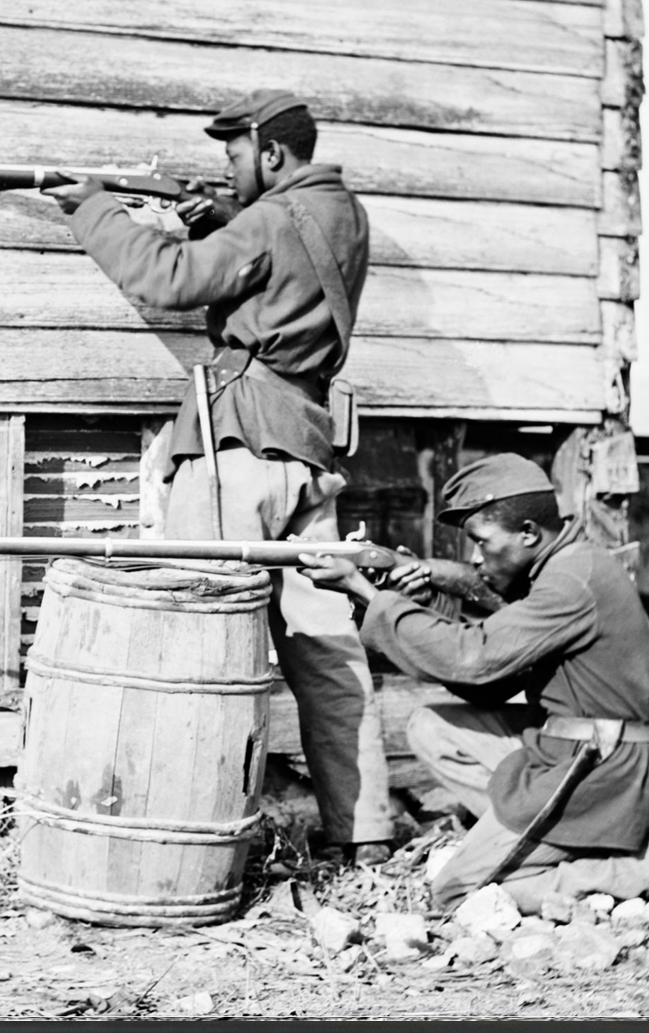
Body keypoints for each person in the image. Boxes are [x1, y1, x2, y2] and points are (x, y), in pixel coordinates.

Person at [52, 90, 396, 865]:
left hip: (237, 452)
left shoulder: (269, 221)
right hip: (309, 456)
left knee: (197, 644)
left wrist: (96, 210)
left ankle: (189, 840)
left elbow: (167, 280)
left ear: (271, 154)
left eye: (236, 156)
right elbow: (281, 277)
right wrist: (222, 221)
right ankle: (364, 830)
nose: (229, 170)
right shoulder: (342, 214)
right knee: (326, 647)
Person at [303, 454, 649, 913]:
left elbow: (472, 659)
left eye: (482, 543)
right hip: (577, 752)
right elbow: (493, 682)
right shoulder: (566, 566)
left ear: (528, 534)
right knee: (431, 726)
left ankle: (634, 870)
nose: (476, 558)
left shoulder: (570, 582)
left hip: (605, 771)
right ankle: (559, 839)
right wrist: (424, 588)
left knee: (453, 891)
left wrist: (366, 593)